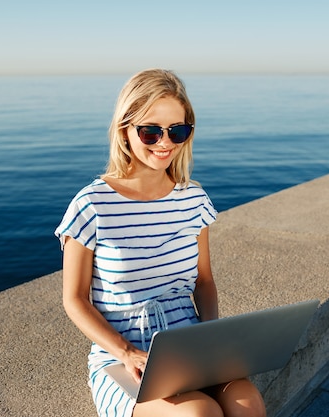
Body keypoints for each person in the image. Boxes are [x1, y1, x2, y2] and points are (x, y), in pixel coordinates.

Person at [55, 69, 266, 417]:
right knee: (200, 414)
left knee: (248, 404)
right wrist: (126, 352)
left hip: (190, 345)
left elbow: (204, 281)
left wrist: (212, 338)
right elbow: (74, 300)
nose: (165, 142)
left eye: (177, 131)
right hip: (123, 355)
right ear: (125, 130)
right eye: (150, 131)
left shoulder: (194, 199)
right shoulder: (91, 205)